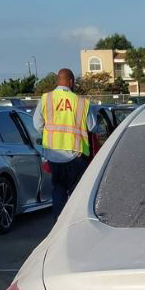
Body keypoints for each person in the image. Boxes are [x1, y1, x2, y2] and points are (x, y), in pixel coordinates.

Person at [34, 68, 96, 217]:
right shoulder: (81, 102)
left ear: (57, 81)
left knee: (59, 189)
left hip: (54, 154)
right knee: (77, 192)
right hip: (76, 154)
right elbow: (93, 127)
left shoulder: (46, 98)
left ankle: (58, 223)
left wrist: (48, 134)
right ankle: (75, 223)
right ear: (71, 82)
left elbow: (37, 125)